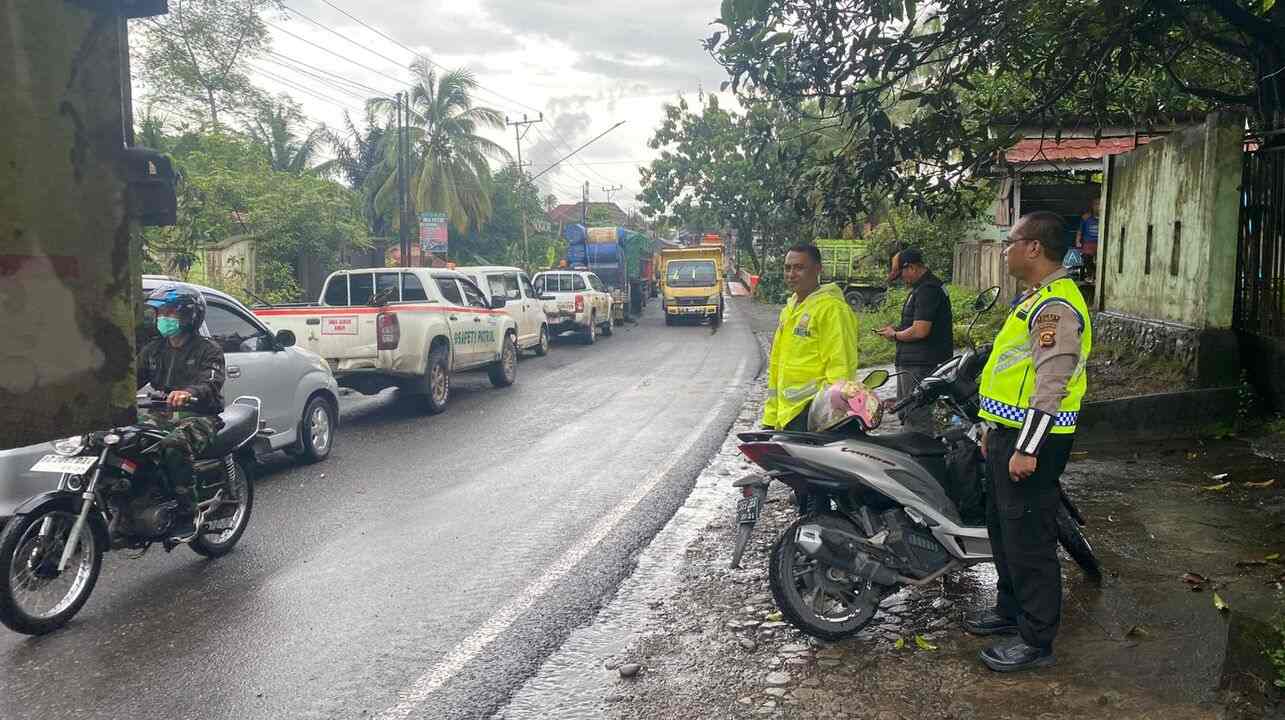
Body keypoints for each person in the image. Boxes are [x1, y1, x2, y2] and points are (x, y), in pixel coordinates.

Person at [963, 211, 1093, 673]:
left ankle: (1036, 640)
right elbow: (1008, 375)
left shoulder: (1055, 306)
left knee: (1030, 540)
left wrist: (1027, 448)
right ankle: (1009, 610)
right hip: (1007, 435)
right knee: (1004, 529)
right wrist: (989, 429)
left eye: (1010, 241)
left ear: (1033, 247)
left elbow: (1051, 385)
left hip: (1032, 441)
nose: (1005, 249)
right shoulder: (1033, 299)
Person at [137, 284, 226, 513]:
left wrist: (188, 393)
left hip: (200, 415)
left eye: (170, 313)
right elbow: (130, 380)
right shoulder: (153, 350)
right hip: (162, 413)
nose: (163, 318)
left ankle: (187, 508)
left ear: (189, 315)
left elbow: (210, 382)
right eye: (160, 313)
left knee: (174, 444)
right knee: (125, 439)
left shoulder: (209, 350)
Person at [762, 244, 860, 431]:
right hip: (788, 416)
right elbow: (777, 368)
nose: (791, 274)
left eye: (799, 268)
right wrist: (770, 419)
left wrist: (829, 417)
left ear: (817, 270)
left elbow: (841, 367)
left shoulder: (832, 310)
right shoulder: (790, 310)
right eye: (787, 268)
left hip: (813, 415)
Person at [877, 247, 953, 434]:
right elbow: (917, 324)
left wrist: (894, 335)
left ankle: (918, 458)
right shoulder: (923, 287)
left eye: (902, 275)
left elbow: (920, 331)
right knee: (907, 410)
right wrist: (896, 329)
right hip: (917, 362)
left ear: (910, 267)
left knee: (916, 415)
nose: (903, 281)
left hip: (921, 365)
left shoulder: (928, 290)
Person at [1074, 197, 1099, 276]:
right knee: (1086, 257)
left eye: (1100, 204)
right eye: (1096, 204)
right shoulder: (1086, 218)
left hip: (1101, 242)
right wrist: (1077, 241)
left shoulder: (1106, 217)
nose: (1098, 206)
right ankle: (1090, 275)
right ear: (1092, 206)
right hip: (1088, 243)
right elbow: (1080, 231)